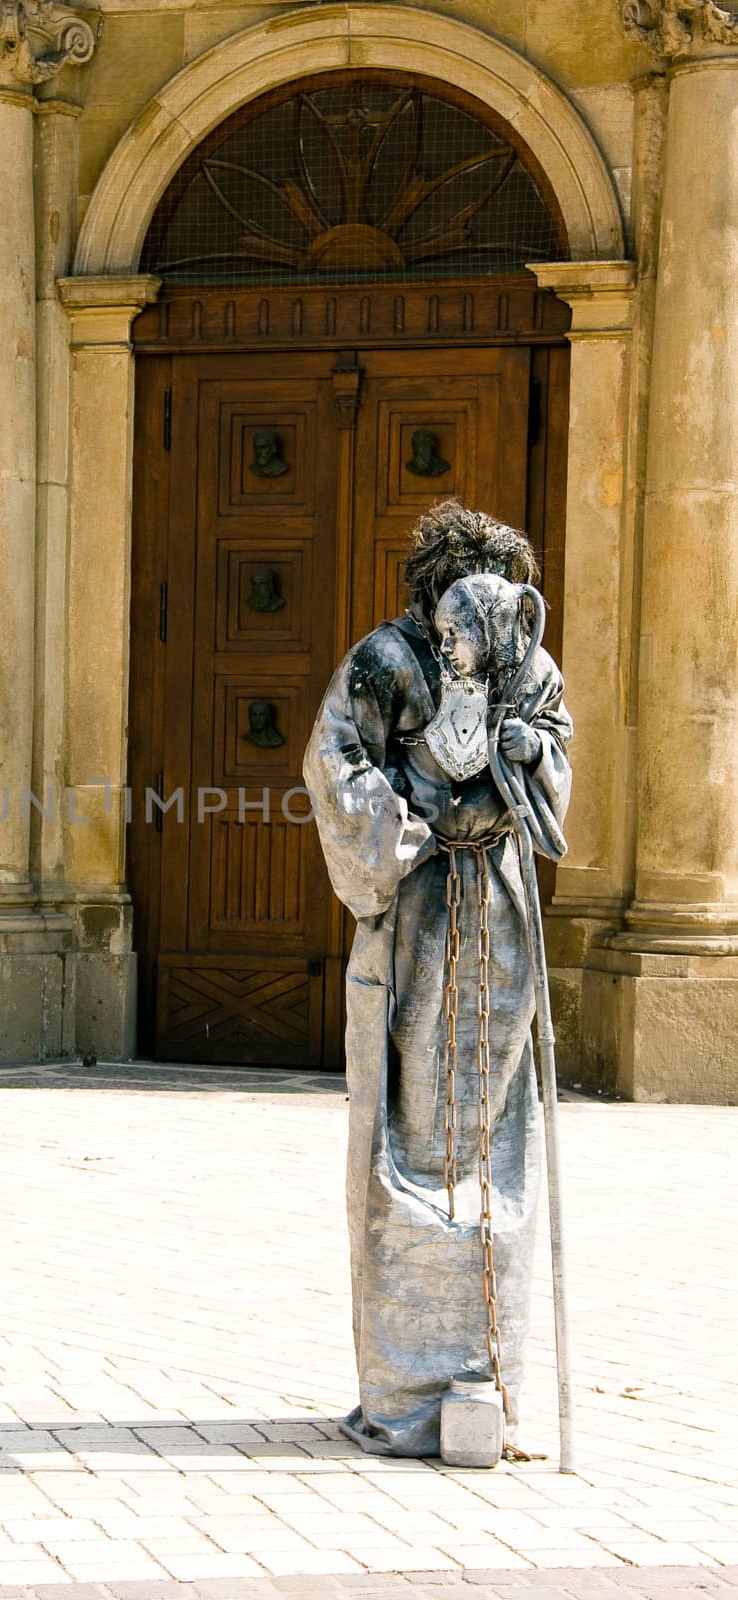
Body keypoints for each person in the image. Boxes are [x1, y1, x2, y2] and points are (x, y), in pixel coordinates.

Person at [303, 501, 572, 1458]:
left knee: (486, 1117)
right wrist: (399, 829)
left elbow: (555, 746)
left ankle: (487, 1367)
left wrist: (532, 754)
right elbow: (335, 756)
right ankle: (406, 1379)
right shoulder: (385, 661)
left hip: (497, 908)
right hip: (416, 907)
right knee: (412, 1118)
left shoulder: (525, 665)